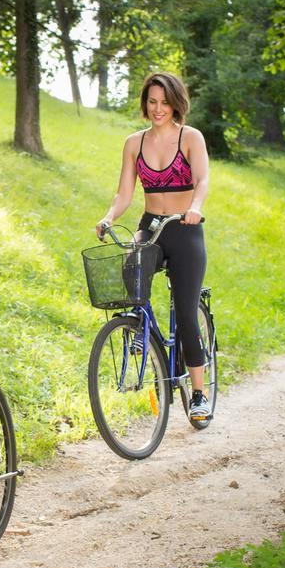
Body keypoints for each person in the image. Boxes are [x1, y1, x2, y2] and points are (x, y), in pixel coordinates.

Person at [95, 72, 212, 418]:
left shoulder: (190, 137)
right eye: (152, 102)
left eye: (164, 102)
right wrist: (109, 217)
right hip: (151, 226)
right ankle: (141, 332)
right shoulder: (134, 142)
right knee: (133, 273)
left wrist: (195, 208)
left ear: (176, 102)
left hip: (184, 229)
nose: (158, 109)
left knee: (187, 314)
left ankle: (199, 393)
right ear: (145, 104)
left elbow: (203, 180)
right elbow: (125, 193)